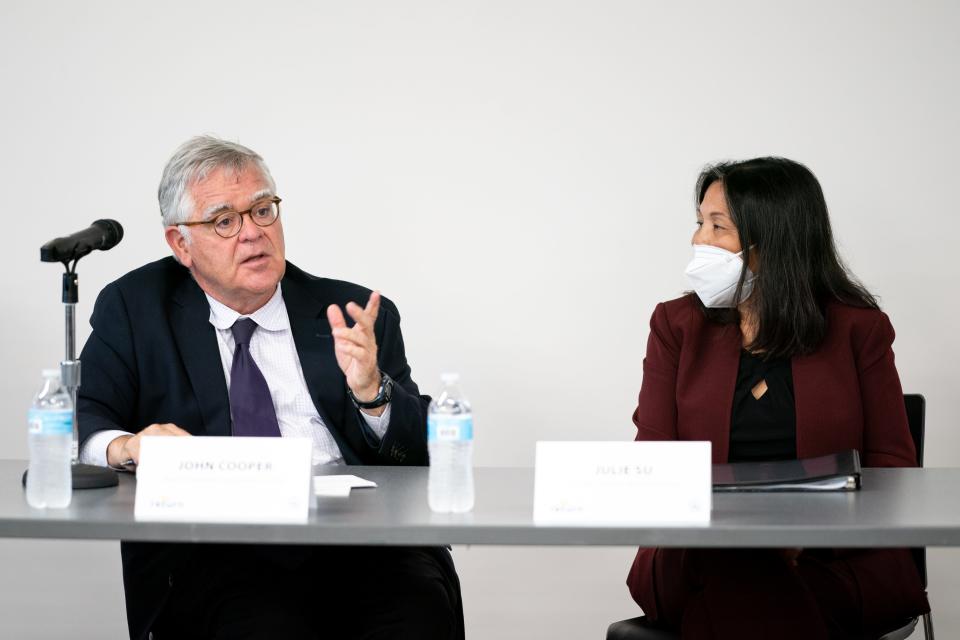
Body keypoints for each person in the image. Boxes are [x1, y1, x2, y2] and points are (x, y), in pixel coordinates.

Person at [77, 136, 463, 640]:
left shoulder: (353, 315)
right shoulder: (135, 309)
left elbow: (418, 460)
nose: (252, 234)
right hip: (217, 550)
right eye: (224, 221)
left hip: (363, 542)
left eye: (263, 210)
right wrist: (128, 446)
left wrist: (373, 393)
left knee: (413, 614)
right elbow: (80, 423)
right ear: (180, 245)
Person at [626, 157, 930, 639]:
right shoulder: (675, 326)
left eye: (716, 226)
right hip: (697, 555)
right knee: (744, 575)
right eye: (699, 222)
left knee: (742, 597)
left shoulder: (859, 329)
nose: (697, 239)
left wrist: (801, 539)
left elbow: (892, 471)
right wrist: (754, 544)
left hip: (831, 560)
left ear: (770, 241)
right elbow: (655, 464)